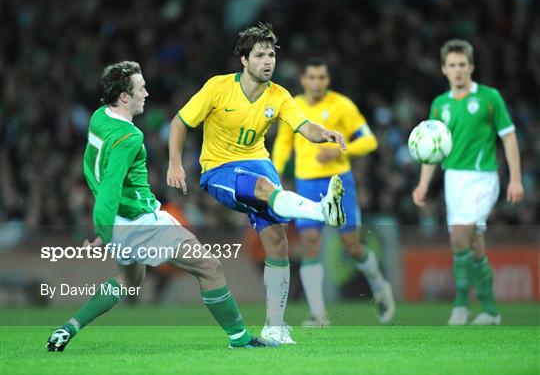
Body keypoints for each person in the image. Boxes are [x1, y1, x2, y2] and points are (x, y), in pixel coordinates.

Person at [47, 61, 275, 351]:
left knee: (131, 280)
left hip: (119, 224)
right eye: (141, 88)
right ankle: (240, 340)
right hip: (140, 222)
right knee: (210, 267)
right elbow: (109, 189)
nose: (147, 93)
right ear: (124, 96)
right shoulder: (130, 138)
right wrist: (100, 234)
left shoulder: (99, 118)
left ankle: (68, 328)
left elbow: (98, 176)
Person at [167, 22, 347, 344]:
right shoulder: (218, 88)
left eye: (272, 55)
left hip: (258, 163)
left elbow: (305, 127)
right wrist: (175, 163)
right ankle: (323, 211)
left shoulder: (279, 95)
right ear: (244, 60)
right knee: (267, 188)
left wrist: (327, 135)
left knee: (278, 243)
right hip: (220, 169)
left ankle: (274, 327)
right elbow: (180, 122)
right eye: (260, 55)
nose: (268, 61)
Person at [272, 57, 395, 326]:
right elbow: (283, 141)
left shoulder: (342, 105)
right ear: (303, 80)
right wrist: (276, 171)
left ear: (328, 80)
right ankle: (318, 314)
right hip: (306, 184)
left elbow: (369, 140)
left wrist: (340, 149)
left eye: (322, 78)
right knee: (309, 245)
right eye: (312, 78)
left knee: (352, 247)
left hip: (339, 182)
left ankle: (379, 286)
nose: (317, 83)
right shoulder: (293, 106)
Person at [412, 40, 525, 325]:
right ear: (443, 69)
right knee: (473, 244)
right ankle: (490, 310)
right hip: (454, 180)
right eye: (452, 65)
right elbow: (432, 150)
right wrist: (423, 184)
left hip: (483, 178)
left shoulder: (489, 98)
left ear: (471, 67)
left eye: (462, 64)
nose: (458, 70)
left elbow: (508, 137)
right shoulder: (440, 104)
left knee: (459, 236)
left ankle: (461, 304)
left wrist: (516, 178)